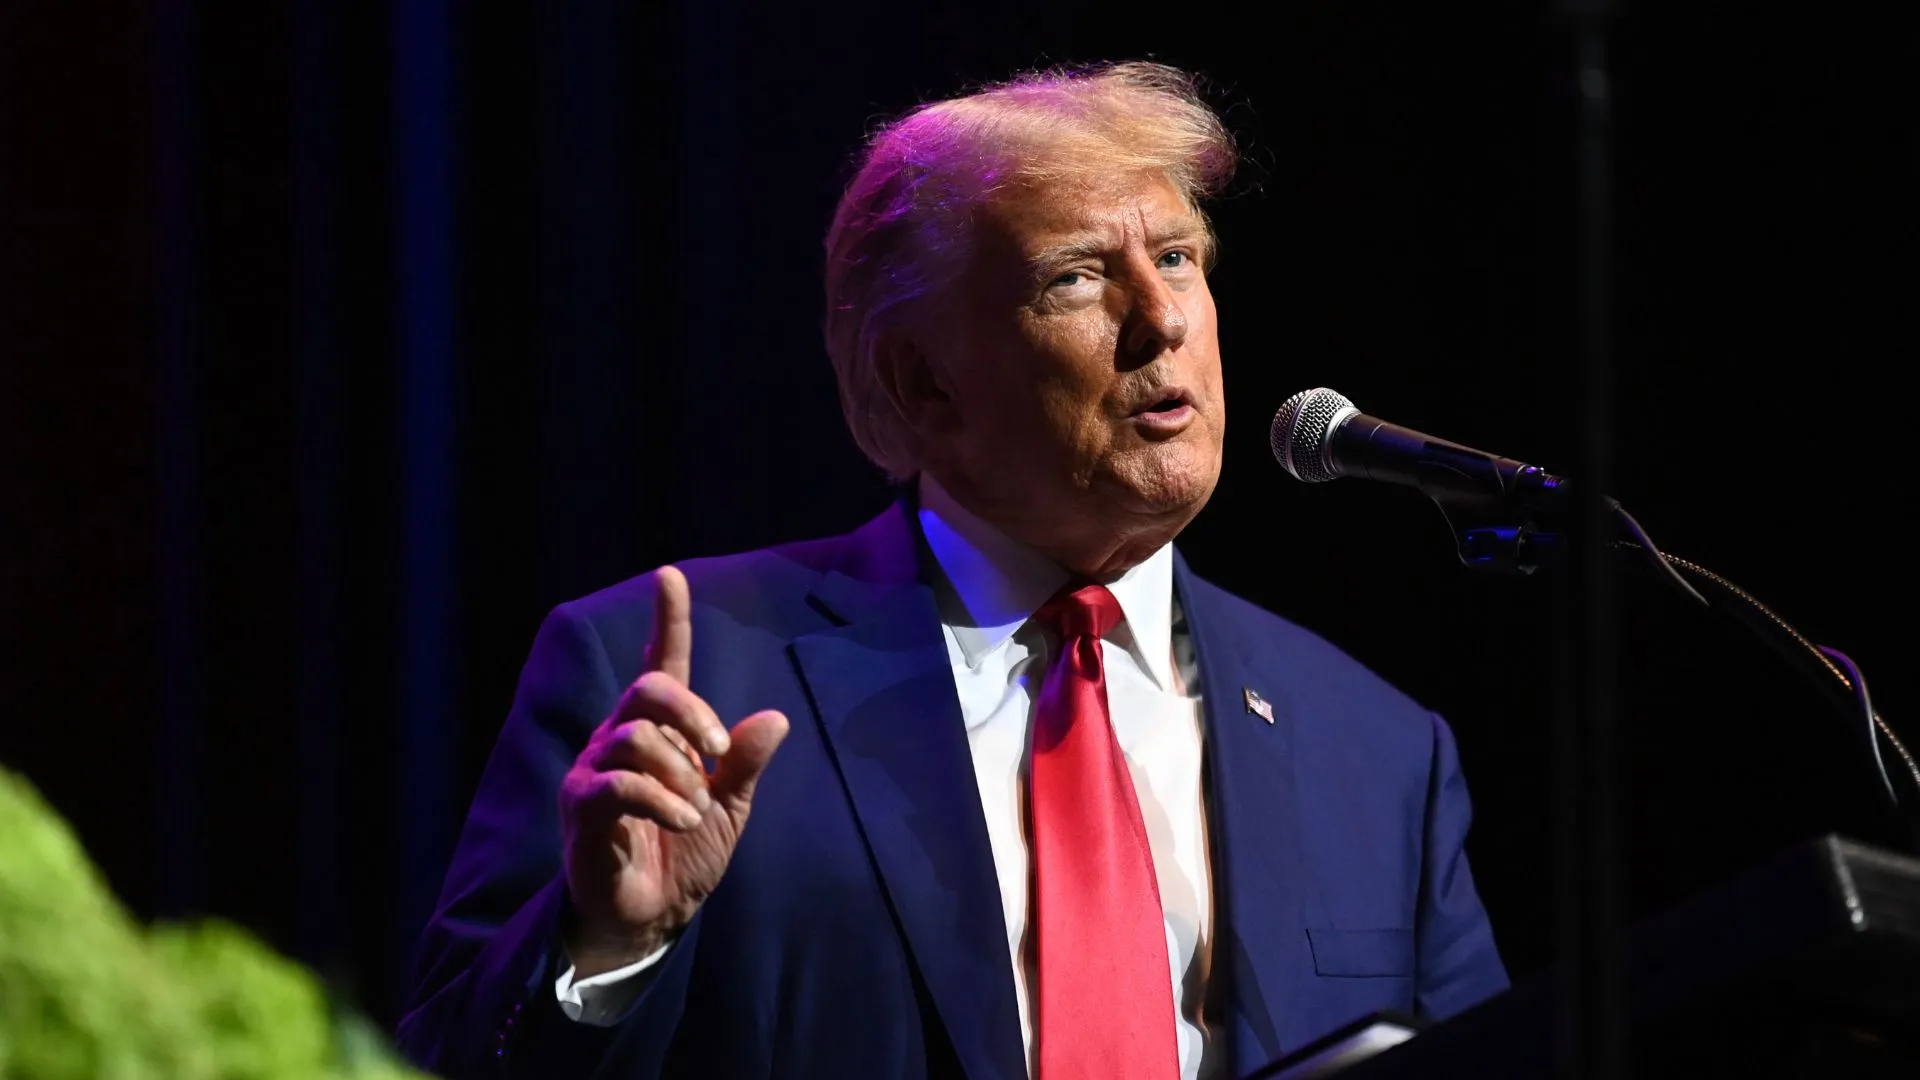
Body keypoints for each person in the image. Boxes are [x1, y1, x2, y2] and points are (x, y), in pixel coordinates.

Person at [397, 61, 1508, 1080]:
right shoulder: (671, 680)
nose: (1163, 318)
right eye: (1077, 278)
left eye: (1176, 258)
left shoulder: (1378, 750)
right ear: (924, 384)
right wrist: (608, 952)